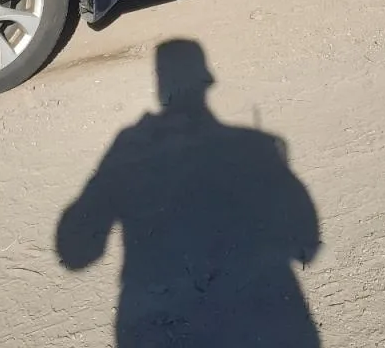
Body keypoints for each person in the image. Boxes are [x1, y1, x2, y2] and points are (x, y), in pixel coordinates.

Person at [56, 39, 321, 347]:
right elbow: (306, 243)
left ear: (160, 86)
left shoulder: (130, 146)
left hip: (155, 322)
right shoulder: (258, 146)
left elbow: (76, 253)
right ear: (207, 79)